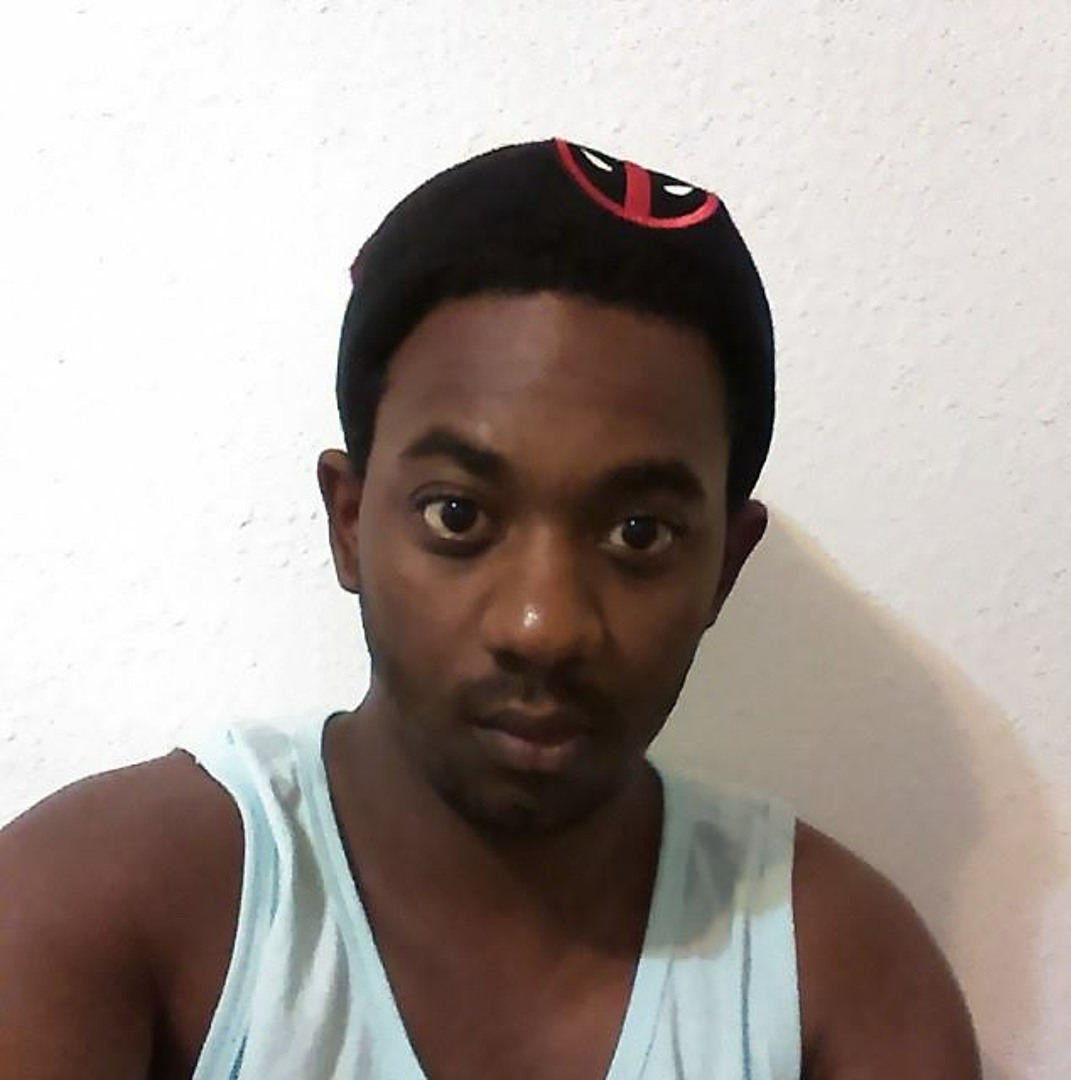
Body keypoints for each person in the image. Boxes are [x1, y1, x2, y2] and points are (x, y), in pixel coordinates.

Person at [0, 139, 981, 1079]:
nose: (541, 626)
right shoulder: (103, 901)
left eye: (638, 532)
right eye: (458, 515)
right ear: (350, 522)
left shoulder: (837, 976)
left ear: (725, 568)